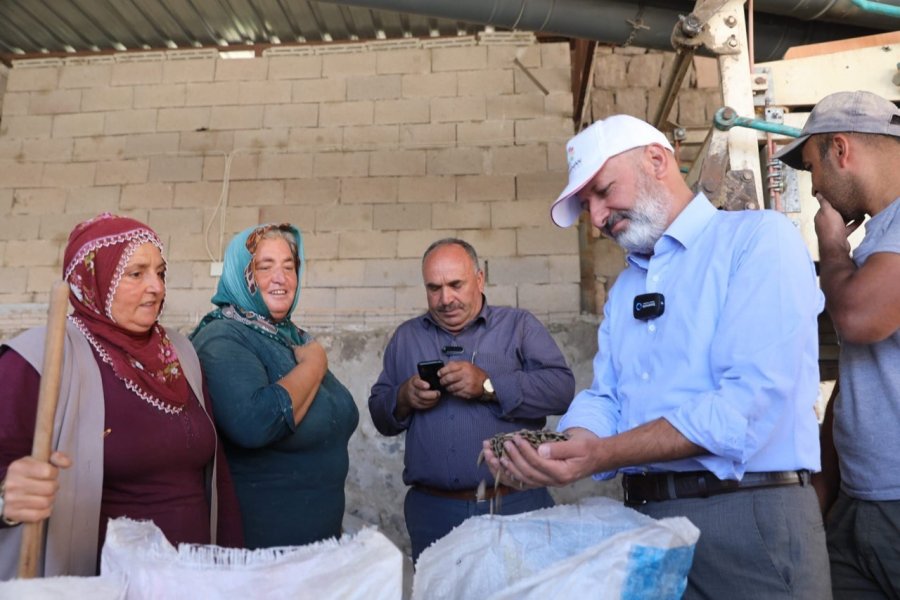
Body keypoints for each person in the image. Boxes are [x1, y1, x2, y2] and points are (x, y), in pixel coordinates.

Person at [482, 114, 831, 599]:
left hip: (748, 516)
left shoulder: (757, 240)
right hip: (645, 523)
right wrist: (558, 448)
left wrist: (600, 455)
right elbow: (608, 396)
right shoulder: (626, 287)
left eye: (603, 191)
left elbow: (744, 407)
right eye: (587, 206)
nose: (598, 218)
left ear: (656, 159)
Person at [0, 213, 242, 580]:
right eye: (136, 273)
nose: (156, 287)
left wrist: (232, 564)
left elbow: (217, 474)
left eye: (160, 273)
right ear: (94, 279)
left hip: (190, 579)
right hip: (99, 583)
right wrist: (6, 499)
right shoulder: (40, 357)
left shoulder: (179, 353)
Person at [368, 238, 575, 563]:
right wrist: (404, 397)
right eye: (434, 288)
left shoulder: (519, 327)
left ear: (479, 279)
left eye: (456, 285)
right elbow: (380, 414)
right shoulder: (407, 337)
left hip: (516, 505)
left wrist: (489, 386)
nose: (445, 299)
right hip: (433, 512)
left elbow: (561, 390)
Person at [773, 90, 900, 598]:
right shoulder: (882, 233)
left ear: (840, 150)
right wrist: (824, 491)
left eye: (810, 169)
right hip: (863, 501)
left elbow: (858, 319)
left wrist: (828, 243)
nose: (815, 190)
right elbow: (858, 380)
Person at [190, 223, 358, 549]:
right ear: (241, 275)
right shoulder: (224, 337)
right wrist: (314, 365)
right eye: (264, 267)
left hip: (315, 548)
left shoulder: (290, 336)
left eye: (289, 266)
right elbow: (254, 423)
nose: (280, 278)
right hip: (263, 551)